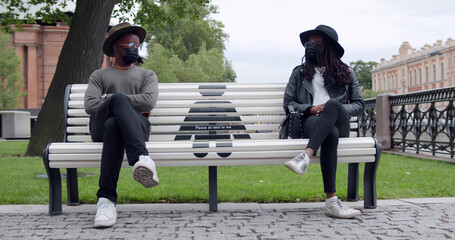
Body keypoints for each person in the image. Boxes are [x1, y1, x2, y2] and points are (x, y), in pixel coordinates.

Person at [283, 25, 365, 219]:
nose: (311, 47)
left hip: (339, 121)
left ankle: (305, 155)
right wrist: (311, 109)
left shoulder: (346, 72)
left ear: (328, 46)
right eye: (309, 43)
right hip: (311, 122)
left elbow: (359, 104)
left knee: (332, 106)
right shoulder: (299, 73)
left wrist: (333, 109)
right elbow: (288, 103)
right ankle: (331, 202)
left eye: (316, 43)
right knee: (331, 135)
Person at [84, 22, 159, 228]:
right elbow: (90, 105)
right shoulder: (99, 76)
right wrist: (117, 101)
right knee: (116, 103)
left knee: (113, 125)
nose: (136, 50)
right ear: (117, 46)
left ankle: (106, 201)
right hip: (99, 129)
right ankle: (141, 158)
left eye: (138, 47)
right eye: (132, 46)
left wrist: (110, 100)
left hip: (136, 128)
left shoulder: (147, 75)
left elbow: (149, 101)